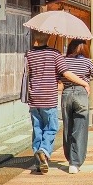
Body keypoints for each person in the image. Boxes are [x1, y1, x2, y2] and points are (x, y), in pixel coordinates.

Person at [24, 31, 62, 173]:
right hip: (49, 97)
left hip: (34, 98)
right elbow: (62, 71)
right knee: (51, 128)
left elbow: (27, 73)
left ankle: (39, 161)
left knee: (37, 129)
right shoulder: (55, 54)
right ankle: (44, 151)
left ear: (35, 39)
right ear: (49, 38)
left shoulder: (28, 54)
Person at [59, 40, 93, 174]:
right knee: (80, 128)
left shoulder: (63, 61)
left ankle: (69, 156)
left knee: (68, 127)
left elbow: (59, 75)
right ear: (84, 49)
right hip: (81, 94)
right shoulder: (87, 62)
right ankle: (75, 163)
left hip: (66, 94)